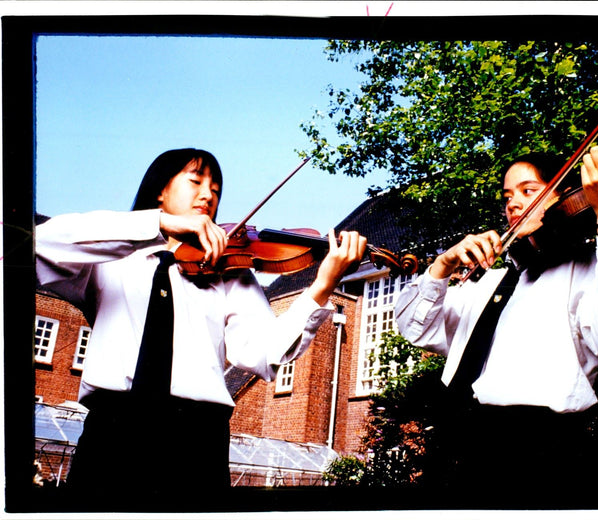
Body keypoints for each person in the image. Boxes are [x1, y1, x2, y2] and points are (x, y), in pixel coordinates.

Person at [35, 148, 366, 509]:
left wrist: (321, 285)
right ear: (160, 189)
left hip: (197, 442)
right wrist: (156, 224)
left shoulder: (230, 271)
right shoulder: (108, 258)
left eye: (216, 190)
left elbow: (264, 354)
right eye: (196, 182)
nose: (208, 195)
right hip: (113, 432)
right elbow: (34, 248)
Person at [394, 146, 598, 500]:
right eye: (507, 196)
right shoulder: (486, 281)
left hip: (543, 453)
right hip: (460, 447)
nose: (512, 204)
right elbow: (415, 328)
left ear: (566, 195)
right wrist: (442, 266)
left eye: (528, 190)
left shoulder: (590, 271)